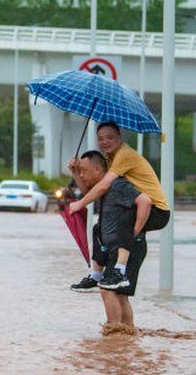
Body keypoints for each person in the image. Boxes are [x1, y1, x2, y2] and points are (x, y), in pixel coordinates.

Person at [68, 122, 171, 291]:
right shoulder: (111, 158)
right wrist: (76, 173)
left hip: (157, 210)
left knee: (124, 220)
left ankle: (119, 271)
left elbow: (104, 185)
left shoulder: (124, 154)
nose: (105, 142)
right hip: (138, 207)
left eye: (110, 137)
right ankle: (95, 275)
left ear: (119, 138)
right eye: (100, 139)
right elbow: (93, 189)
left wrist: (80, 204)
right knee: (98, 228)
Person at [71, 151, 147, 333]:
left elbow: (145, 201)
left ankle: (113, 333)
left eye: (83, 171)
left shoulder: (118, 185)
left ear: (97, 169)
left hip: (129, 246)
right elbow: (88, 192)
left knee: (107, 289)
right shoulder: (102, 188)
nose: (81, 176)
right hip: (114, 247)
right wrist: (74, 173)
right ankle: (127, 336)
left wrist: (134, 233)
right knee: (120, 295)